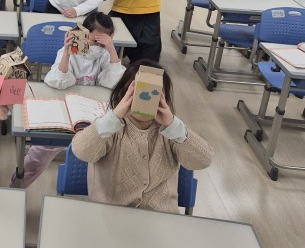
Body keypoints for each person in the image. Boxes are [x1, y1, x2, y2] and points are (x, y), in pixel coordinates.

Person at [71, 60, 213, 213]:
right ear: (121, 95)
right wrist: (113, 118)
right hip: (112, 213)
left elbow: (204, 160)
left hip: (160, 215)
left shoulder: (171, 131)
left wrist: (174, 127)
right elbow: (82, 151)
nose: (144, 98)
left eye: (155, 94)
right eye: (134, 93)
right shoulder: (110, 127)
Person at [12, 11, 126, 188]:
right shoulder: (69, 53)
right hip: (65, 111)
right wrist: (66, 52)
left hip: (91, 115)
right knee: (41, 151)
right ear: (83, 35)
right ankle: (17, 185)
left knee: (111, 148)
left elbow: (114, 82)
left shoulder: (104, 55)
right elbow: (57, 81)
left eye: (104, 42)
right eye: (95, 41)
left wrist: (111, 50)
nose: (98, 47)